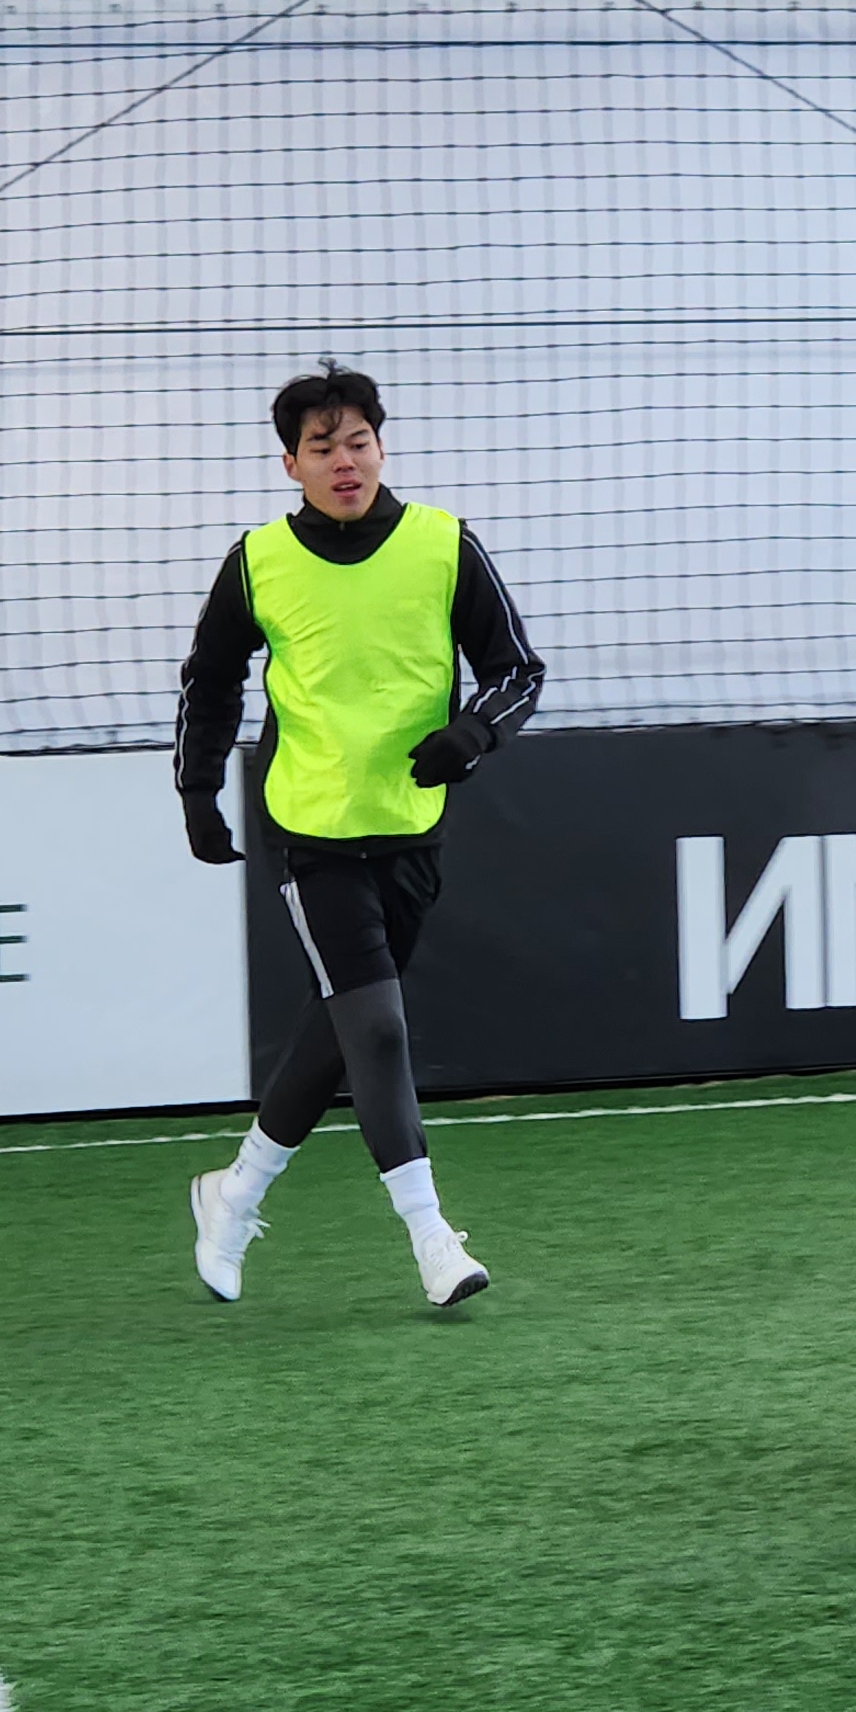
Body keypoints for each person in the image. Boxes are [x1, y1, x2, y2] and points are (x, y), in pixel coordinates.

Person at [172, 365, 544, 1308]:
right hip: (311, 830)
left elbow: (518, 672)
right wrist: (198, 790)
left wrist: (474, 734)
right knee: (376, 1028)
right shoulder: (258, 561)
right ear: (290, 464)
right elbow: (210, 681)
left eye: (358, 442)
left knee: (338, 1035)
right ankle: (432, 1239)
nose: (344, 462)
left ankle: (234, 1193)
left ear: (381, 446)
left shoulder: (443, 545)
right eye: (322, 447)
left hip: (411, 829)